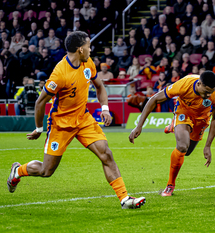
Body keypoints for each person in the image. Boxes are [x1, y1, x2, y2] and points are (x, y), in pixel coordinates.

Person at [7, 31, 146, 209]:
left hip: (83, 118)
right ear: (80, 49)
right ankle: (17, 171)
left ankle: (125, 199)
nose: (90, 49)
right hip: (61, 124)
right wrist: (39, 128)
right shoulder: (59, 74)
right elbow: (40, 102)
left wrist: (105, 109)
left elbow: (100, 87)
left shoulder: (88, 63)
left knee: (106, 154)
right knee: (46, 170)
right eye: (88, 45)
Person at [128, 71, 215, 196]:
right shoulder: (184, 84)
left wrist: (208, 145)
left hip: (202, 119)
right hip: (183, 112)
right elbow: (154, 99)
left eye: (211, 92)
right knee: (182, 146)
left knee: (187, 152)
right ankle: (170, 185)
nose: (208, 95)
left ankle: (174, 127)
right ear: (199, 84)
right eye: (206, 92)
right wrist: (139, 126)